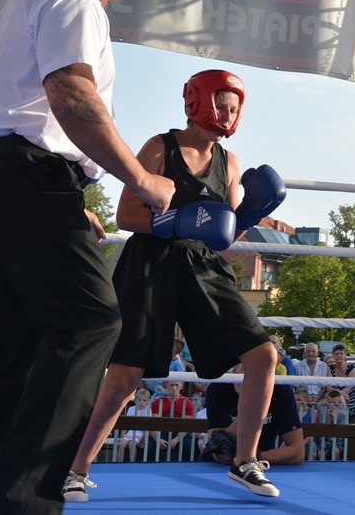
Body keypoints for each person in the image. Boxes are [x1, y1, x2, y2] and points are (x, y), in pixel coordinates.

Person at [0, 0, 175, 515]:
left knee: (21, 352)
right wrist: (142, 177)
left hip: (12, 181)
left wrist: (72, 197)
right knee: (91, 321)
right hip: (27, 177)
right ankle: (23, 500)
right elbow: (71, 93)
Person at [63, 69, 286, 502]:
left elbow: (222, 234)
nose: (227, 114)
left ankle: (245, 461)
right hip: (152, 263)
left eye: (234, 107)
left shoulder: (231, 162)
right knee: (125, 377)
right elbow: (126, 215)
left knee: (263, 355)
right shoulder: (160, 148)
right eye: (222, 104)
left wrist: (251, 215)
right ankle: (75, 469)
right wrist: (178, 220)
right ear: (198, 101)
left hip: (203, 267)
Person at [205, 362, 305, 466]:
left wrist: (253, 458)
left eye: (262, 371)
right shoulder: (218, 389)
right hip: (216, 468)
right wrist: (249, 405)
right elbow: (218, 450)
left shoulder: (280, 391)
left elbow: (298, 453)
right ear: (235, 370)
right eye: (247, 369)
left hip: (262, 465)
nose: (254, 376)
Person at [117, 388, 152, 461]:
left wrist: (145, 439)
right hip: (130, 432)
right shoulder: (131, 409)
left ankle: (132, 463)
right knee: (122, 444)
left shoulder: (147, 410)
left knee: (132, 444)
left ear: (148, 401)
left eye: (144, 400)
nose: (141, 402)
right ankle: (118, 463)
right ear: (135, 400)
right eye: (139, 400)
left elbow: (146, 426)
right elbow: (126, 424)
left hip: (139, 433)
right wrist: (121, 436)